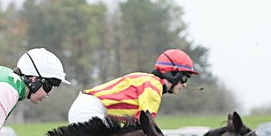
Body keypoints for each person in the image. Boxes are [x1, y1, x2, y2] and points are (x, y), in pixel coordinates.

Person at [67, 49, 198, 124]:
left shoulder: (149, 81)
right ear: (173, 73)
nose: (184, 84)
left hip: (87, 106)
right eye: (184, 78)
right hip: (90, 110)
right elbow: (147, 125)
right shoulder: (154, 87)